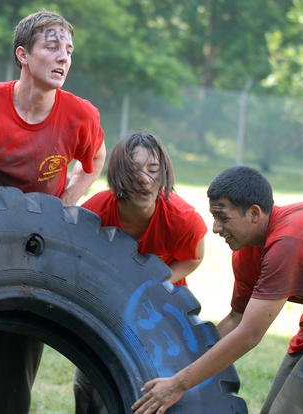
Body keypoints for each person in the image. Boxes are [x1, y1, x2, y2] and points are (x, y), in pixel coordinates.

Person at [0, 10, 107, 414]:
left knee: (15, 367)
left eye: (68, 50)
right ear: (23, 54)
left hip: (37, 245)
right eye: (52, 47)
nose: (63, 58)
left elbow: (95, 159)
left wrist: (66, 202)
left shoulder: (80, 114)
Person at [132, 166, 303, 414]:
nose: (215, 228)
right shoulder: (246, 251)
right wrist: (178, 365)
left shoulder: (287, 243)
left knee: (289, 407)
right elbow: (236, 320)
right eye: (214, 217)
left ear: (254, 213)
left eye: (223, 217)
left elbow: (249, 335)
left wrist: (179, 384)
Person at [73, 132, 207, 413]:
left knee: (149, 381)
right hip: (107, 304)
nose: (145, 179)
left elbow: (193, 258)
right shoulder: (96, 211)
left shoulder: (182, 219)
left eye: (154, 170)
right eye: (134, 170)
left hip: (161, 309)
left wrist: (152, 287)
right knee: (90, 383)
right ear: (119, 175)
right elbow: (77, 258)